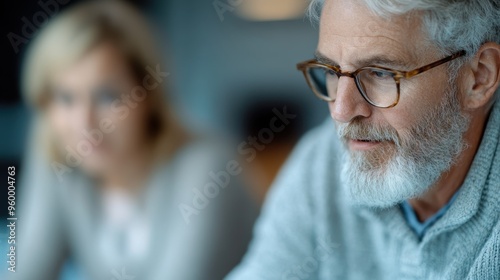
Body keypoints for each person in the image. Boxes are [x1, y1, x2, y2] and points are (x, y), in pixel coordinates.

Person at [227, 0, 500, 279]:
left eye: (381, 73)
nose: (341, 111)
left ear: (479, 77)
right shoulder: (320, 163)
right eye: (331, 72)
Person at [12, 1, 258, 279]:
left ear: (149, 95)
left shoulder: (208, 166)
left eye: (107, 96)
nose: (85, 124)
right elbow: (23, 270)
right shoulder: (60, 159)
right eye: (65, 98)